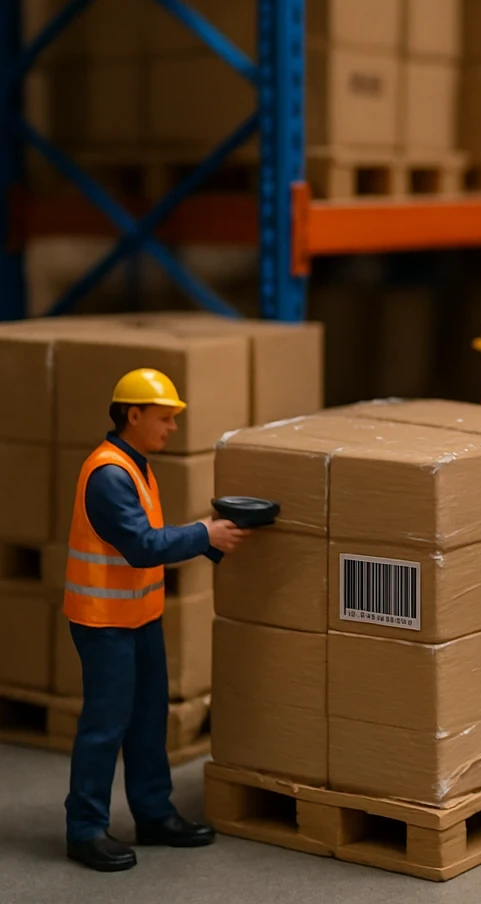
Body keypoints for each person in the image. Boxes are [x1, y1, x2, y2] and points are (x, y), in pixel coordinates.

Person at [64, 369, 249, 873]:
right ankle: (84, 828)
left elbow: (147, 540)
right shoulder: (108, 475)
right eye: (165, 419)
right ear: (134, 415)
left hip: (139, 617)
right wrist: (204, 536)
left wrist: (209, 537)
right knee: (105, 725)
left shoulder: (136, 466)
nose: (171, 428)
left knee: (147, 720)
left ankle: (152, 813)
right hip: (104, 623)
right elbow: (142, 546)